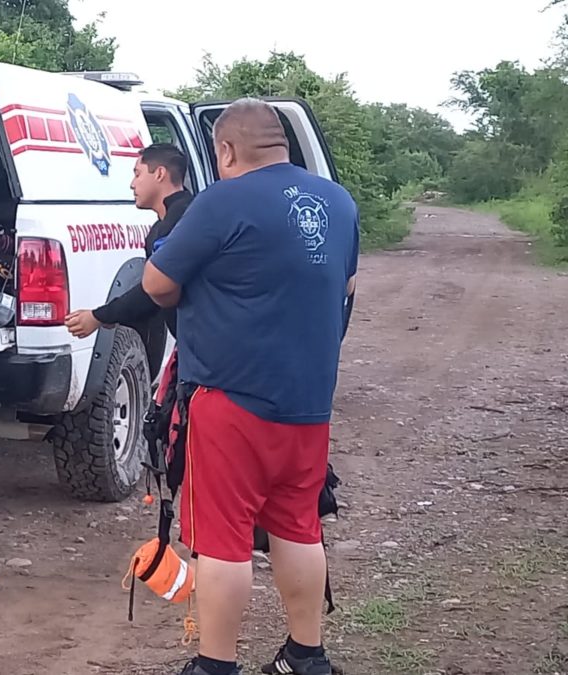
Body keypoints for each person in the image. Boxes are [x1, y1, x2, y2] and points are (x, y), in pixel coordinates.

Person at [141, 98, 359, 675]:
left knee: (223, 540)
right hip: (309, 400)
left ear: (227, 150)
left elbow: (157, 282)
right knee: (297, 525)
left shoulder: (221, 200)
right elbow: (347, 282)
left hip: (229, 397)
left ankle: (215, 664)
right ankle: (305, 657)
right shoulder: (338, 202)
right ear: (282, 145)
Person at [64, 143, 193, 340]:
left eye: (137, 174)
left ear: (159, 174)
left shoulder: (183, 219)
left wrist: (99, 316)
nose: (132, 184)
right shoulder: (165, 223)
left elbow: (154, 290)